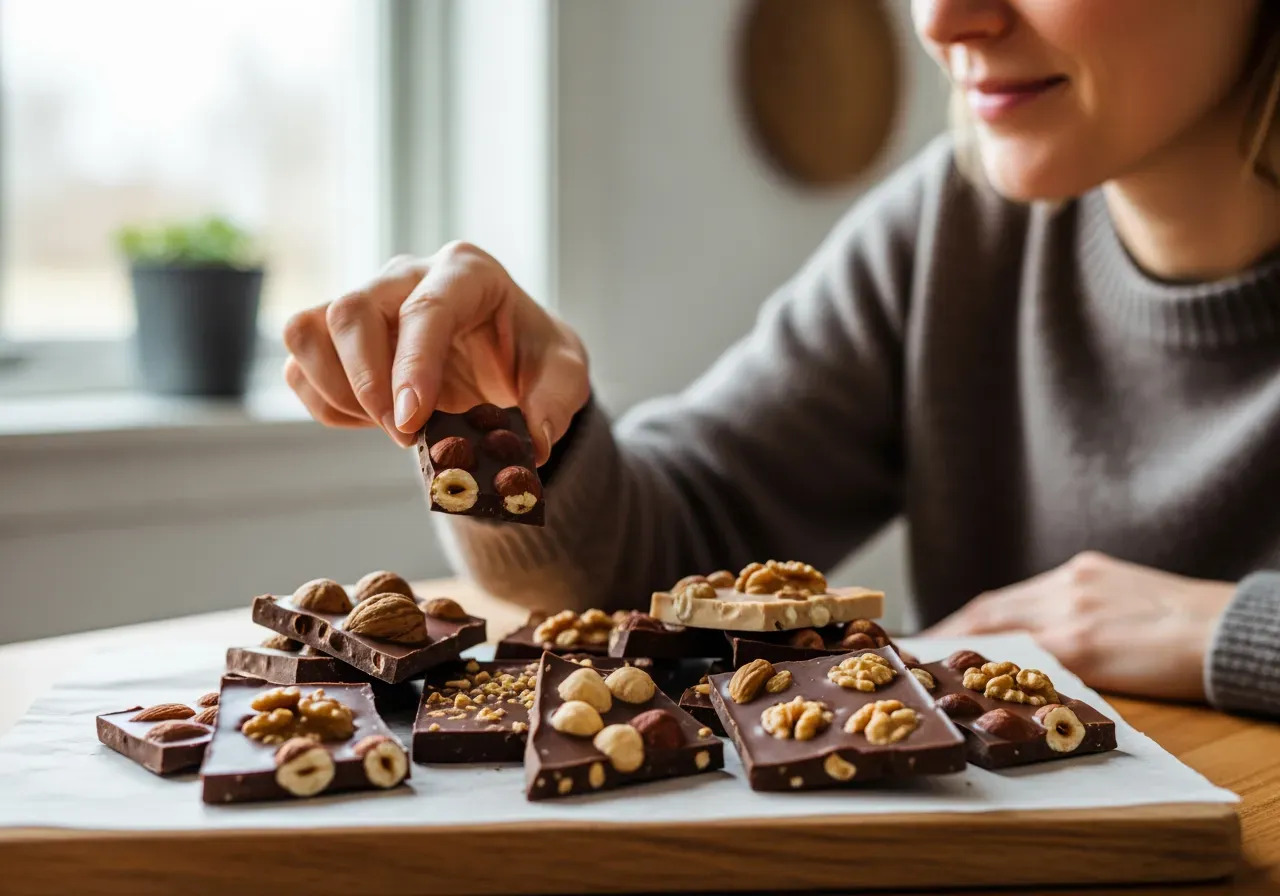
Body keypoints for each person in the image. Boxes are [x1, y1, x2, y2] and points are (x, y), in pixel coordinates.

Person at [281, 0, 1280, 716]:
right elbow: (666, 555)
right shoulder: (951, 231)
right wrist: (509, 425)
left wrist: (1233, 632)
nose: (939, 21)